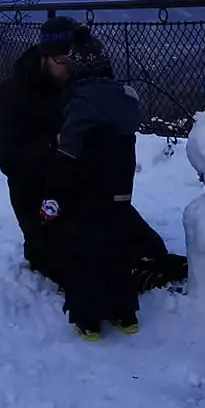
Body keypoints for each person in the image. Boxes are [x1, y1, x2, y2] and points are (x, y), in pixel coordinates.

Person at [0, 16, 185, 297]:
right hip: (40, 199)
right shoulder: (13, 96)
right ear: (46, 57)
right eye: (63, 63)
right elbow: (11, 162)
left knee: (150, 250)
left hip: (87, 192)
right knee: (78, 266)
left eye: (74, 63)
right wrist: (57, 144)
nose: (70, 70)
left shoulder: (82, 85)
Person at [53, 28, 146, 341]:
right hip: (120, 185)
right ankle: (125, 312)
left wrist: (57, 193)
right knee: (117, 245)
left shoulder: (78, 103)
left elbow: (68, 152)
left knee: (84, 251)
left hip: (86, 191)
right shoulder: (126, 97)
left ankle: (87, 317)